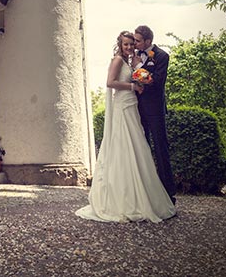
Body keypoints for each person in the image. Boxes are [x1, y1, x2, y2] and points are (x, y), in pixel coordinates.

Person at [75, 31, 175, 223]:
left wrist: (139, 73)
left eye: (132, 44)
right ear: (120, 45)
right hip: (124, 106)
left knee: (138, 149)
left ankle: (145, 195)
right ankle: (123, 198)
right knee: (124, 147)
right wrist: (133, 87)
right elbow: (110, 83)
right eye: (127, 44)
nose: (130, 47)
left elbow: (152, 80)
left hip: (135, 108)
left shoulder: (135, 61)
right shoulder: (118, 61)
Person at [133, 24, 176, 204]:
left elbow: (156, 81)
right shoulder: (132, 56)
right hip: (135, 109)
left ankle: (168, 194)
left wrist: (138, 70)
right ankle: (143, 193)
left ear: (148, 41)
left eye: (138, 40)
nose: (134, 44)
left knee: (160, 149)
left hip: (155, 110)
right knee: (140, 150)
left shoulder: (161, 56)